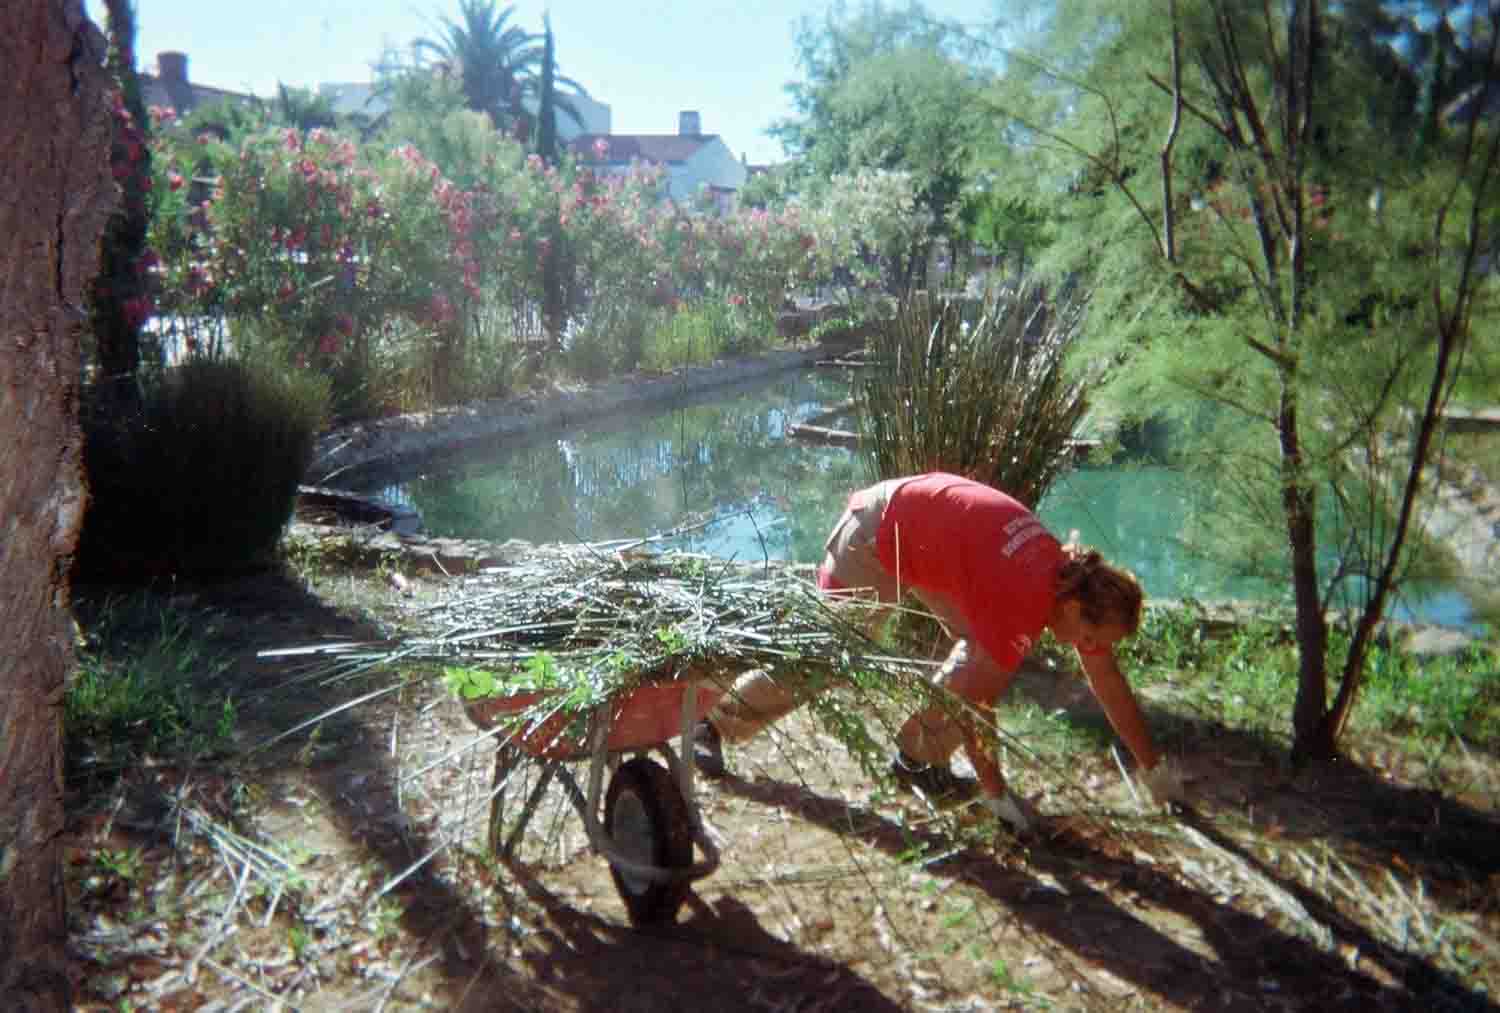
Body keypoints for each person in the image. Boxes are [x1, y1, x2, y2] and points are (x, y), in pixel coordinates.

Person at [694, 472, 1184, 831]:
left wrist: (1152, 768)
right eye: (1095, 638)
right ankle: (712, 725)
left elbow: (1108, 681)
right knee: (825, 662)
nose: (1093, 650)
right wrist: (997, 796)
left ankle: (915, 758)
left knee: (978, 662)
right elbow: (979, 705)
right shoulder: (1028, 599)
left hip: (928, 545)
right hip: (876, 533)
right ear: (1077, 610)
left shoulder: (1070, 582)